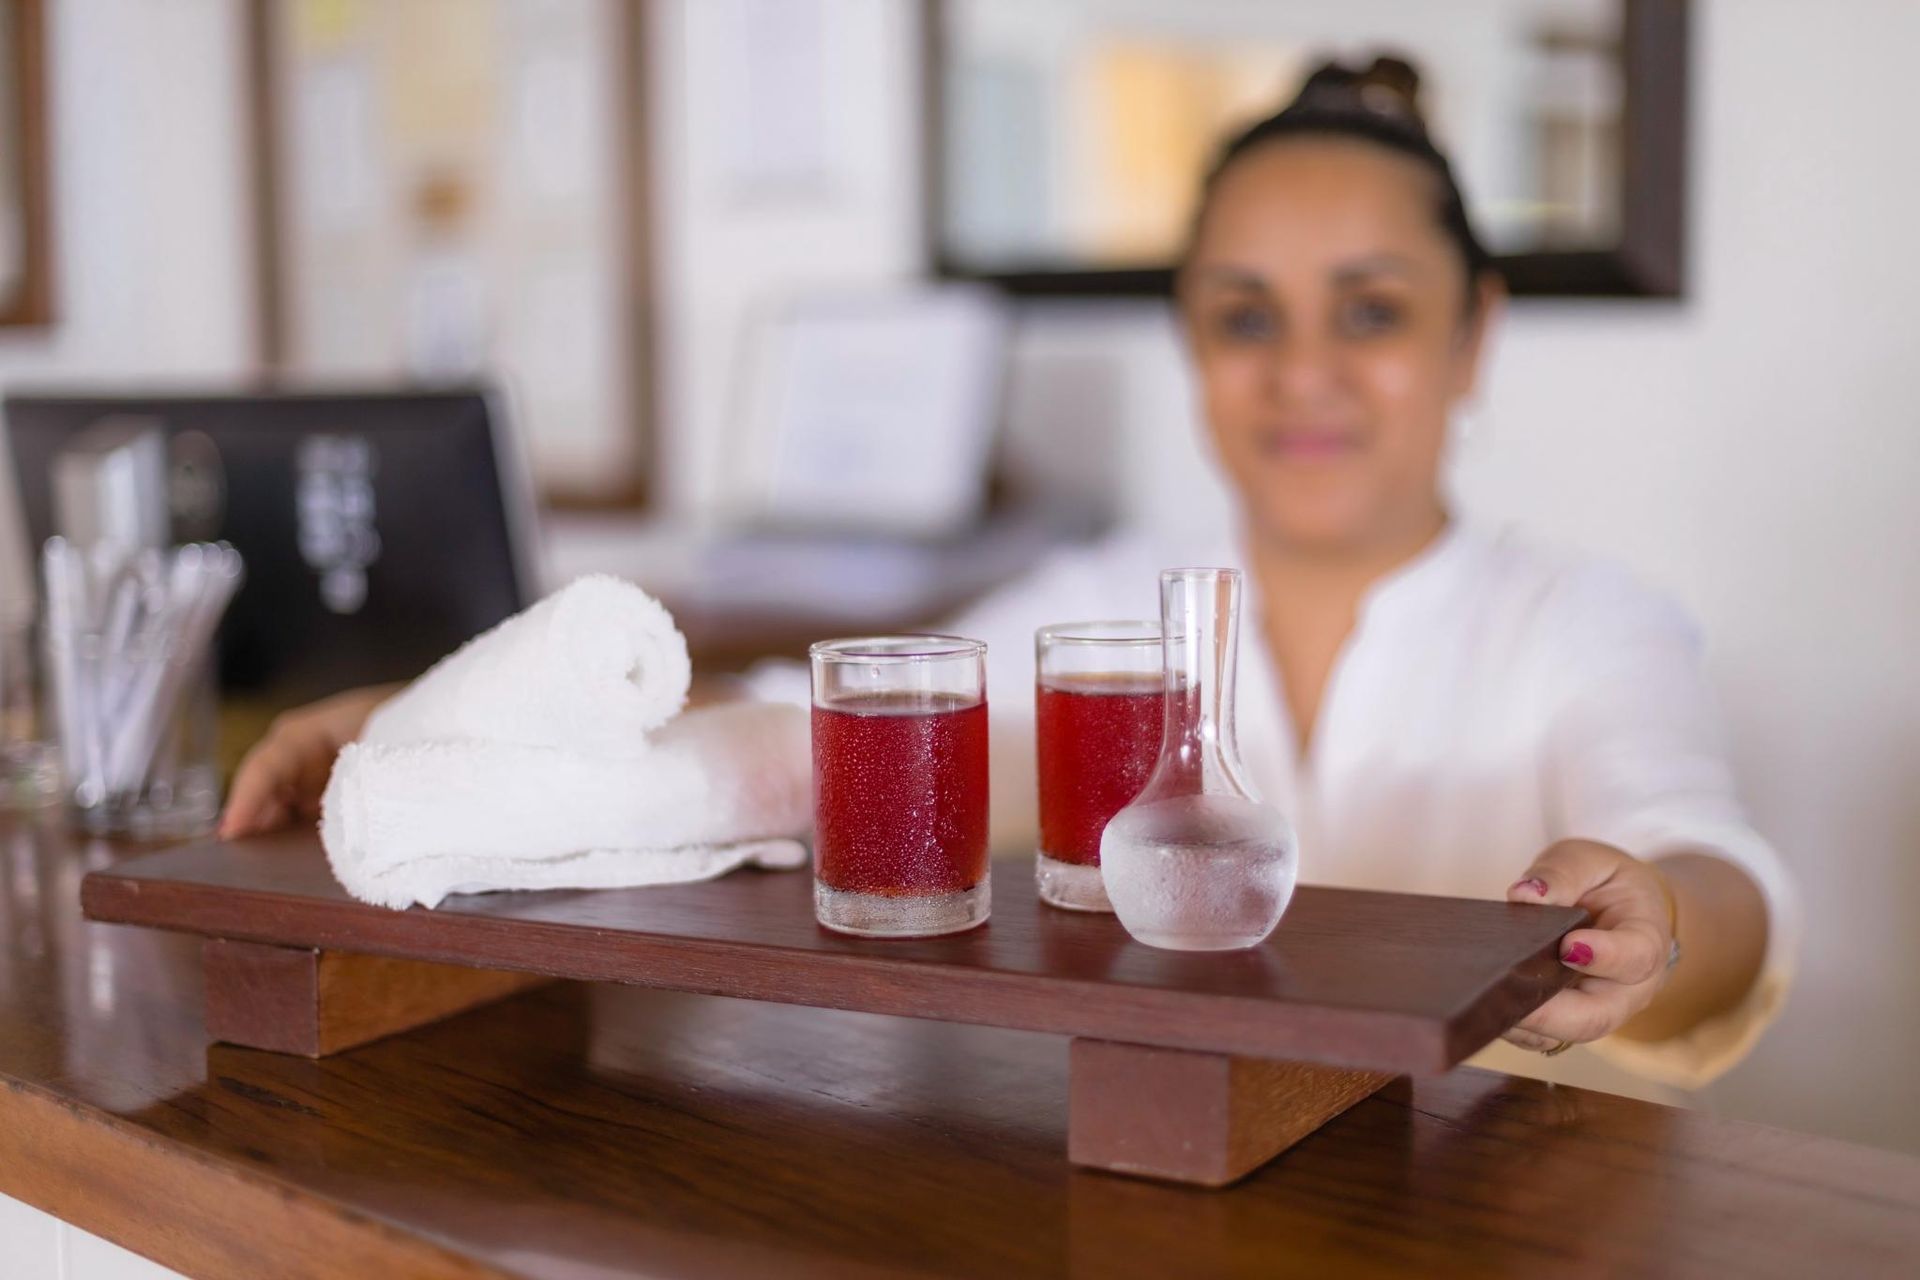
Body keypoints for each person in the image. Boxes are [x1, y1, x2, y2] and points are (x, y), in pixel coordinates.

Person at [222, 59, 1796, 1100]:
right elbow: (794, 739)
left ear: (1475, 335)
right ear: (1193, 343)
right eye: (1247, 317)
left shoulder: (1582, 623)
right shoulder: (1098, 615)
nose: (1304, 371)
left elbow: (1711, 879)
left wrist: (1652, 919)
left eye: (1369, 311)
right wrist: (437, 730)